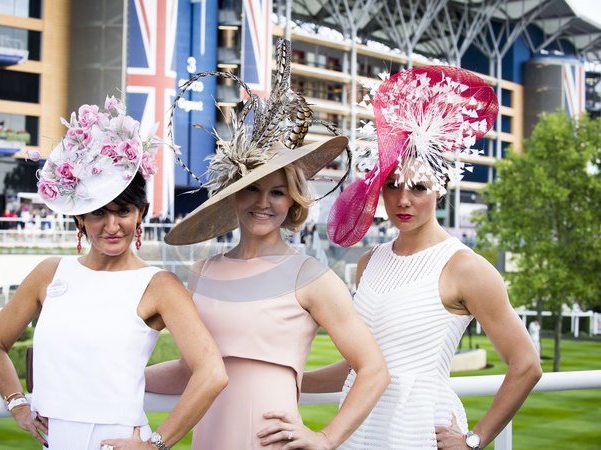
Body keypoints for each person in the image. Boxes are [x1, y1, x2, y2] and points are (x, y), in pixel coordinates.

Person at [131, 39, 390, 450]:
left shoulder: (312, 278)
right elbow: (188, 371)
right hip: (209, 439)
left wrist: (326, 438)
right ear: (234, 195)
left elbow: (373, 369)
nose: (263, 203)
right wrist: (121, 378)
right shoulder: (203, 272)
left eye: (277, 192)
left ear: (293, 201)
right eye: (252, 188)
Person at [308, 66, 543, 449]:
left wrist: (474, 440)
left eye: (418, 187)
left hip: (419, 433)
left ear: (441, 187)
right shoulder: (370, 262)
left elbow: (527, 364)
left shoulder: (465, 268)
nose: (403, 199)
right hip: (359, 431)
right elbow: (362, 366)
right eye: (391, 185)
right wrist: (288, 380)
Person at [0, 96, 227, 450]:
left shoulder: (159, 286)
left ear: (140, 214)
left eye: (123, 211)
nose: (112, 226)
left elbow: (212, 372)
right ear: (80, 218)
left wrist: (155, 445)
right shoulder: (49, 273)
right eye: (98, 212)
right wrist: (17, 402)